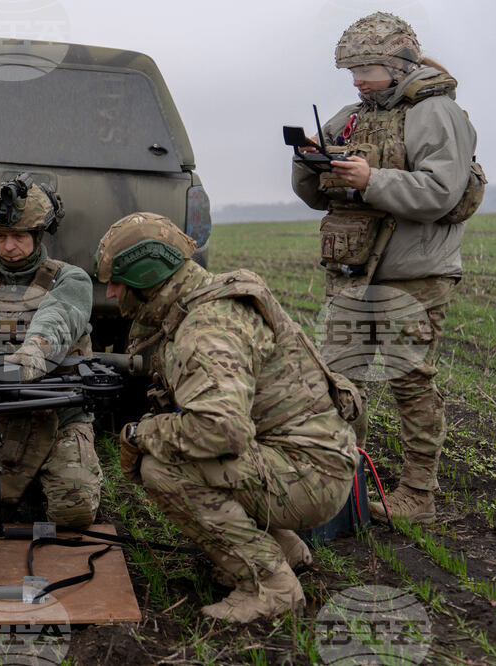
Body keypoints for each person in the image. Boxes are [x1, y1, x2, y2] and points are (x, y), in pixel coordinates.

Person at [94, 212, 360, 623]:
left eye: (117, 280)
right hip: (311, 457)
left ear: (146, 278)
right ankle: (284, 548)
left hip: (312, 477)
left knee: (162, 469)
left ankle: (271, 584)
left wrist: (140, 433)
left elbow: (220, 431)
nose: (111, 292)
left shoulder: (204, 332)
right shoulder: (206, 297)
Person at [291, 12, 481, 523]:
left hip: (415, 272)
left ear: (398, 65)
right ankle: (337, 482)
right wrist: (309, 161)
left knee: (409, 380)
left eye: (365, 69)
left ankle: (418, 494)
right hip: (354, 271)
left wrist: (370, 179)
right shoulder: (351, 115)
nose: (356, 81)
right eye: (350, 71)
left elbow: (442, 192)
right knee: (336, 377)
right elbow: (315, 197)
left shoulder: (437, 114)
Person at [0, 174, 101, 528]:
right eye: (1, 237)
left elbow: (55, 321)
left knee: (72, 514)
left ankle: (54, 473)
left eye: (19, 237)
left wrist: (25, 360)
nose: (9, 247)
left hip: (59, 412)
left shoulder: (70, 279)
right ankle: (24, 480)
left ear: (38, 236)